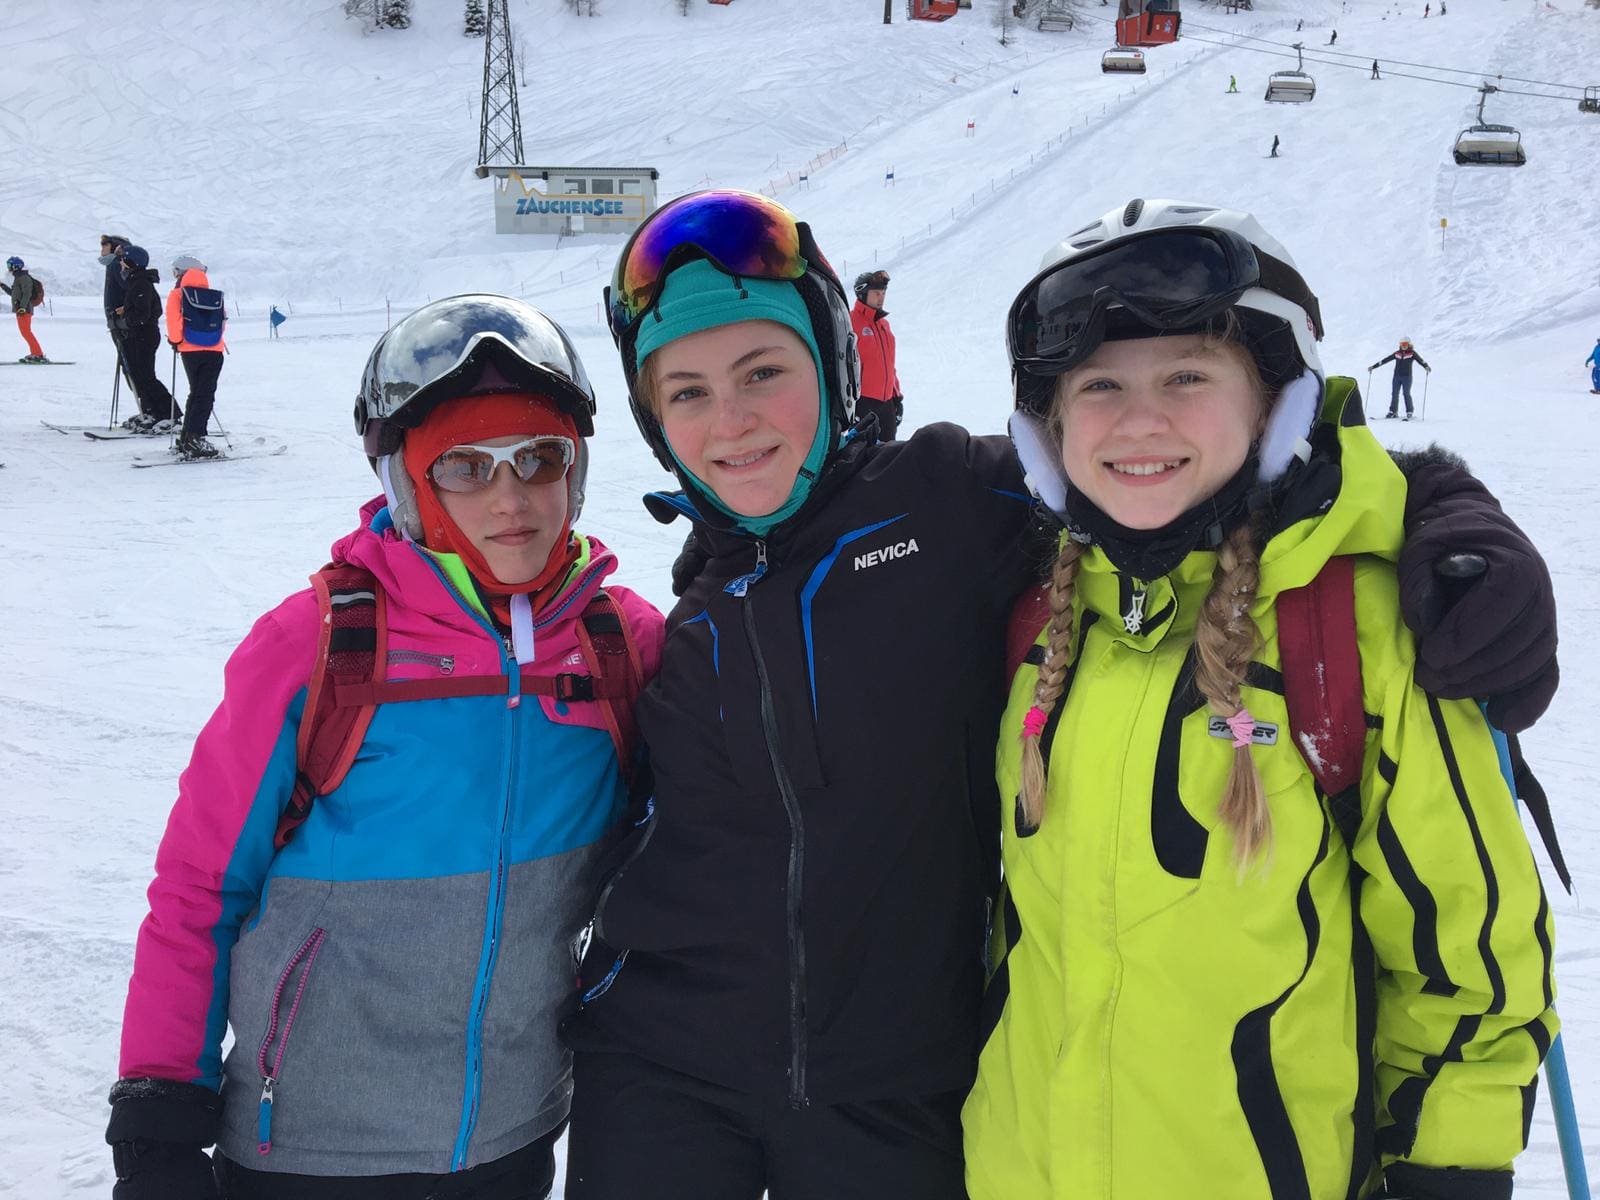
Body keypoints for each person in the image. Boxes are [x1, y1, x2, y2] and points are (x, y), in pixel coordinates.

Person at [559, 189, 1560, 1200]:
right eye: (686, 393)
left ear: (830, 364)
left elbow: (1227, 475)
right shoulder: (693, 596)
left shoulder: (948, 502)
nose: (730, 419)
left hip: (895, 1093)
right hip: (668, 1073)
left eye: (764, 371)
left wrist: (1450, 511)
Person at [963, 199, 1556, 1200]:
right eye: (1100, 385)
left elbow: (1469, 952)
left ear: (1275, 406)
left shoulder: (1351, 629)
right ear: (1048, 429)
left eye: (1187, 376)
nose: (1139, 420)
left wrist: (1447, 1170)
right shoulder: (1036, 622)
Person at [105, 295, 665, 1200]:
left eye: (539, 457)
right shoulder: (318, 645)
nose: (512, 497)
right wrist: (160, 1116)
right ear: (409, 481)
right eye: (465, 467)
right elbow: (201, 888)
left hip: (513, 1140)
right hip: (306, 1150)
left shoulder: (621, 647)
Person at [166, 255, 226, 460]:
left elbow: (173, 321)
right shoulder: (214, 296)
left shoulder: (177, 295)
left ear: (182, 273)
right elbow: (222, 323)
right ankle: (195, 438)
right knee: (205, 394)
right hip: (214, 350)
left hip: (189, 350)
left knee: (196, 393)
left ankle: (187, 438)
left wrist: (176, 341)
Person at [116, 245, 181, 432]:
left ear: (132, 263)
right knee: (139, 376)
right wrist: (126, 311)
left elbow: (144, 314)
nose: (121, 265)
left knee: (146, 377)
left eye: (123, 261)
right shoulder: (137, 282)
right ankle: (151, 411)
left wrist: (126, 317)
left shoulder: (141, 283)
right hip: (139, 334)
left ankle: (170, 413)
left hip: (144, 335)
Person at [850, 269, 904, 440]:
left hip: (887, 403)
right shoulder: (850, 322)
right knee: (862, 451)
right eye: (876, 293)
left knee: (889, 451)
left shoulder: (884, 325)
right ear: (862, 294)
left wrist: (896, 397)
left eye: (883, 293)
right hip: (863, 402)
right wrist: (850, 404)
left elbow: (889, 365)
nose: (881, 298)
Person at [100, 234, 136, 389]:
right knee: (128, 364)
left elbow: (130, 290)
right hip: (117, 322)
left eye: (105, 245)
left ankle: (146, 401)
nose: (102, 249)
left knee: (130, 365)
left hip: (121, 324)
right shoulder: (112, 265)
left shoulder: (116, 265)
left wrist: (125, 309)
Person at [1370, 337, 1430, 419]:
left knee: (1406, 393)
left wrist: (1426, 366)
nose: (1403, 346)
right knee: (1394, 393)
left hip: (1407, 377)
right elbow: (1385, 360)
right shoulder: (1397, 353)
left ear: (1409, 344)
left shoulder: (1412, 353)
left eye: (1405, 344)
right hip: (1396, 377)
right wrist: (1373, 367)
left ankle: (1409, 411)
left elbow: (1421, 360)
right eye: (1401, 344)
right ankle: (1393, 411)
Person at [2, 255, 48, 363]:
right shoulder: (18, 278)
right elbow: (14, 294)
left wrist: (22, 307)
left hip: (24, 309)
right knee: (25, 332)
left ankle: (38, 354)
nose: (8, 267)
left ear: (16, 266)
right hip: (21, 309)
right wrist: (2, 286)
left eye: (10, 265)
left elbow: (27, 294)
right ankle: (35, 353)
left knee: (26, 332)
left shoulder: (24, 278)